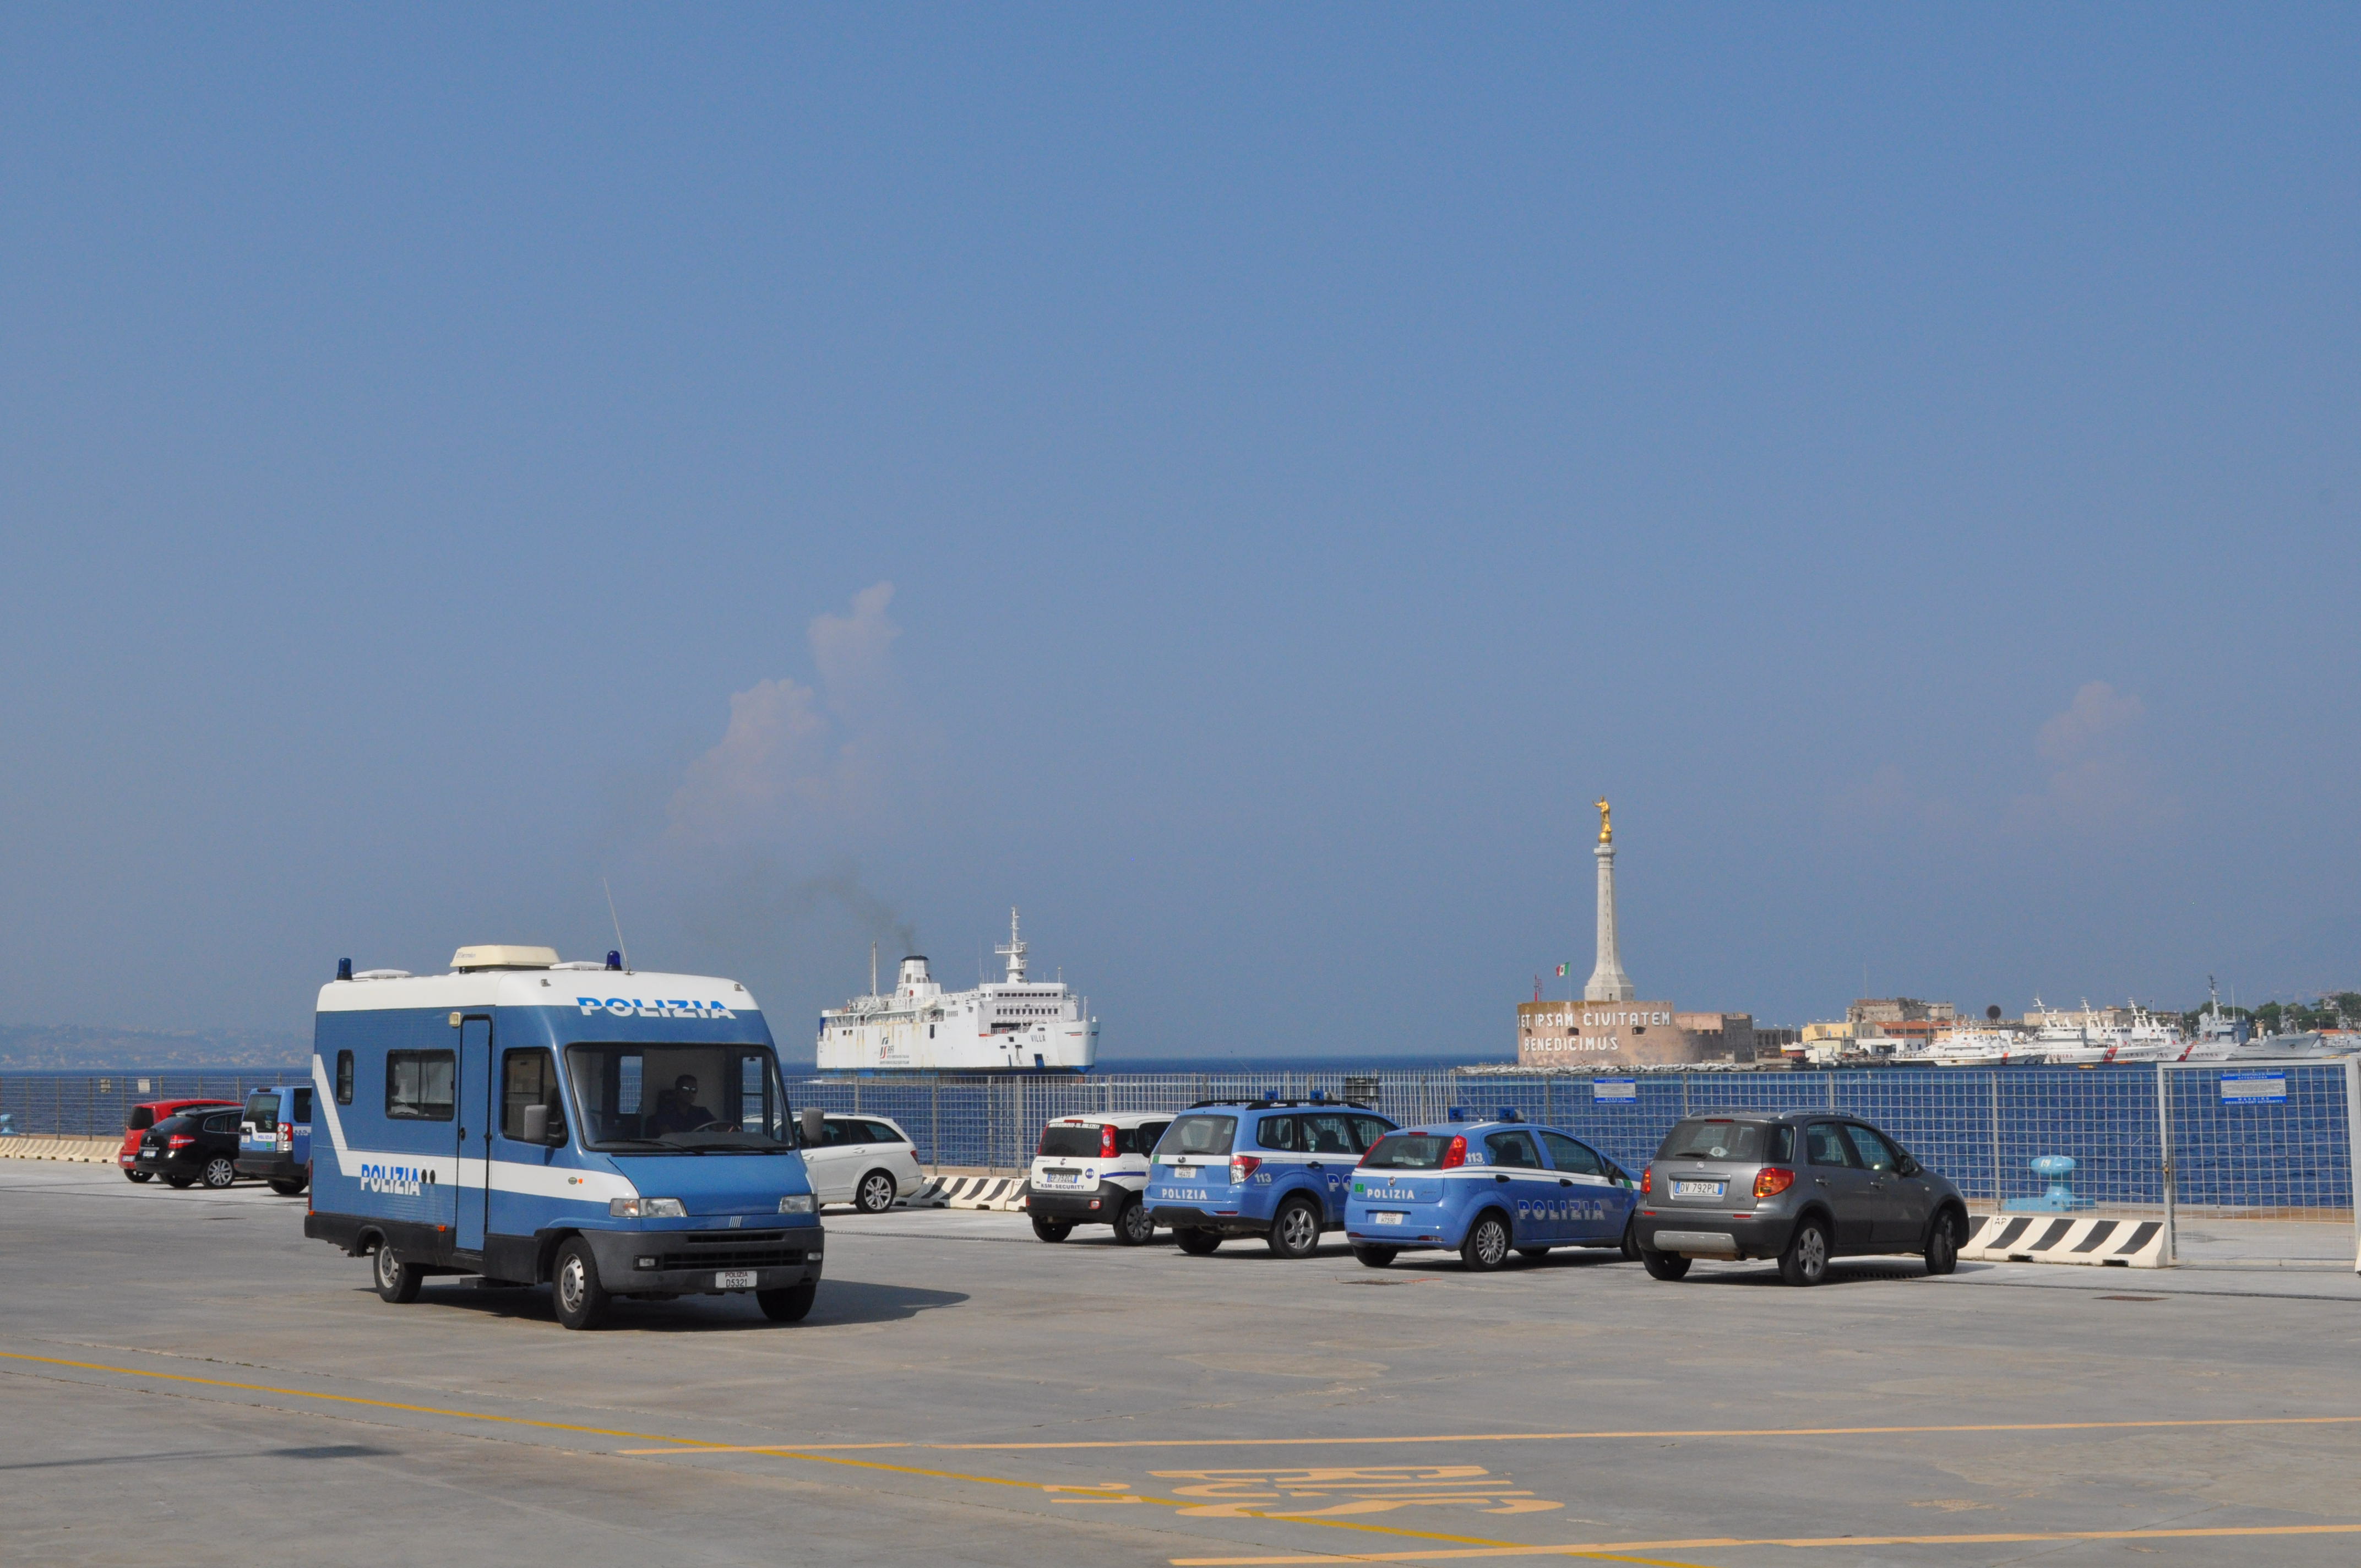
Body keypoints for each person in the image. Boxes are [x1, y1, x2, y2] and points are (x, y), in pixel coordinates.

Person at [646, 1075, 717, 1136]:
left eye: (694, 1090)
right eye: (685, 1089)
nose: (690, 1094)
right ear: (677, 1092)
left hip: (700, 1150)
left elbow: (718, 1127)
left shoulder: (702, 1112)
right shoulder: (664, 1114)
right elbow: (669, 1137)